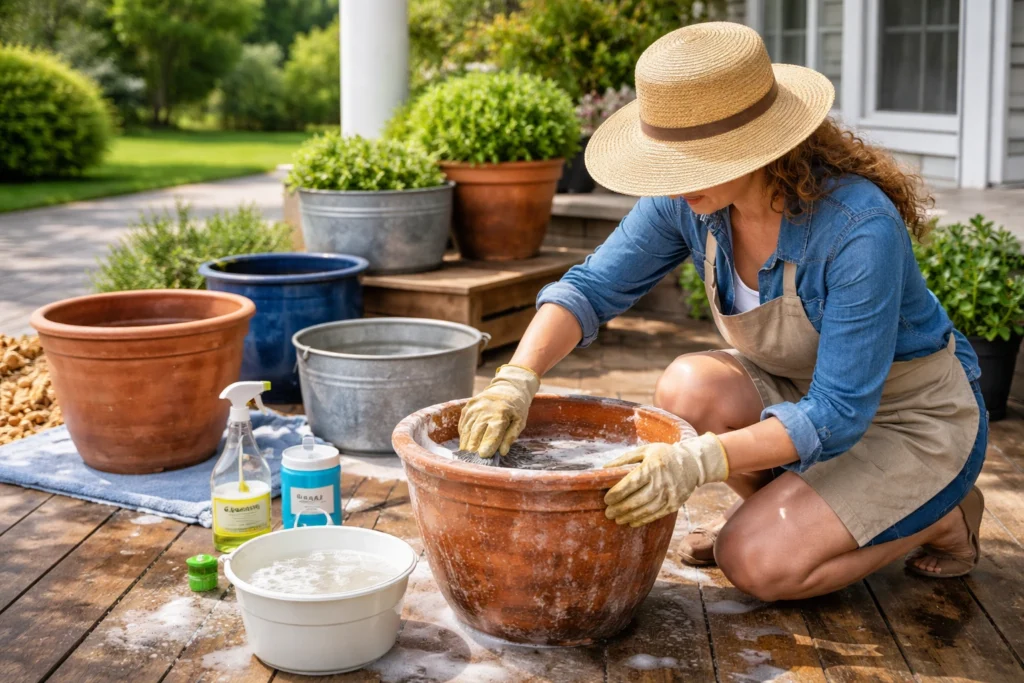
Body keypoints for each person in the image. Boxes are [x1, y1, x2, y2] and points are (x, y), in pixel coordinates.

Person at [455, 22, 987, 602]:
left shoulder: (859, 228)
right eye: (666, 160)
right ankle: (783, 515)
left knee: (755, 564)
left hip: (907, 414)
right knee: (691, 386)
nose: (673, 181)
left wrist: (699, 460)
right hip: (802, 392)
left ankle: (941, 517)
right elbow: (590, 287)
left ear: (759, 145)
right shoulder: (690, 202)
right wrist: (517, 377)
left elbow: (838, 411)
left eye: (694, 160)